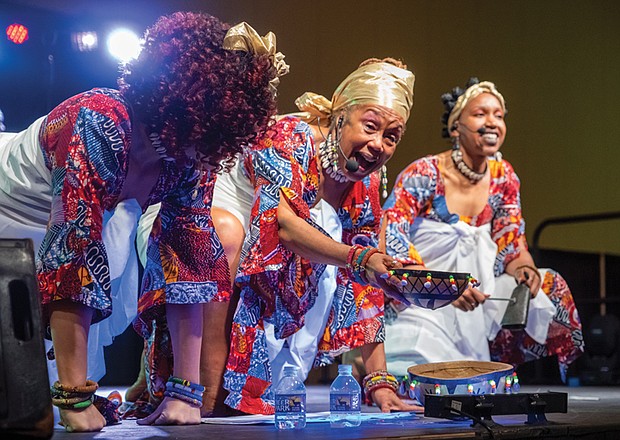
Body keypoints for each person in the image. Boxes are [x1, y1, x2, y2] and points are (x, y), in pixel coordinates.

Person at [0, 12, 279, 432]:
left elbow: (188, 267)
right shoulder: (100, 120)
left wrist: (186, 393)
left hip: (80, 219)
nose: (211, 147)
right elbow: (73, 251)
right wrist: (74, 399)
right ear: (185, 103)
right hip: (10, 210)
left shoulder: (191, 154)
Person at [213, 58, 422, 415]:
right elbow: (283, 228)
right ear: (340, 116)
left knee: (333, 261)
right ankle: (205, 383)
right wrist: (359, 259)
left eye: (391, 137)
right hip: (223, 220)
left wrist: (380, 385)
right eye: (370, 126)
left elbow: (365, 280)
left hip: (281, 245)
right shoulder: (289, 138)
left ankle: (261, 383)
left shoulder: (367, 181)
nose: (378, 145)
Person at [382, 78, 584, 382]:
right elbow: (391, 236)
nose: (492, 122)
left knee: (547, 285)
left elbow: (511, 240)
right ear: (456, 127)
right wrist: (444, 289)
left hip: (478, 297)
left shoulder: (504, 177)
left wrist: (523, 269)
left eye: (499, 115)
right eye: (480, 114)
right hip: (421, 299)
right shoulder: (424, 173)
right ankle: (369, 363)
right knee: (422, 376)